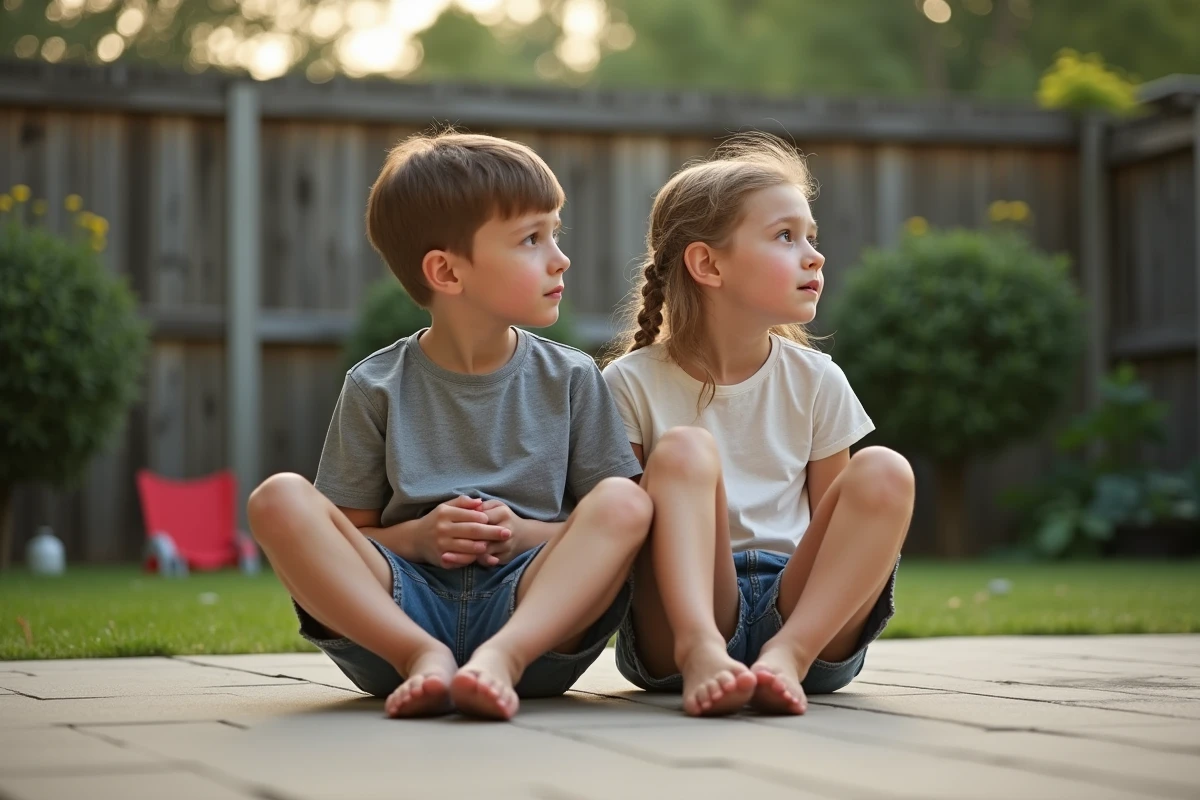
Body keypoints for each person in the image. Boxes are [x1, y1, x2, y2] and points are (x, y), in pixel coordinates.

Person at [248, 131, 650, 721]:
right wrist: (414, 540)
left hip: (535, 618)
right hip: (396, 612)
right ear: (446, 271)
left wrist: (522, 536)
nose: (559, 257)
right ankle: (421, 657)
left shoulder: (571, 377)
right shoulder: (374, 385)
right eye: (531, 239)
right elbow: (349, 536)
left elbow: (619, 533)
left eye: (555, 233)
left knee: (625, 500)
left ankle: (502, 660)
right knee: (278, 498)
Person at [602, 133, 913, 717]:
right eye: (785, 237)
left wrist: (796, 639)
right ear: (708, 264)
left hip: (803, 614)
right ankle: (702, 652)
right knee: (686, 453)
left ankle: (785, 660)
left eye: (811, 238)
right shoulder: (628, 384)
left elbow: (833, 526)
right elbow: (622, 539)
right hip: (681, 615)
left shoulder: (818, 380)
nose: (815, 256)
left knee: (886, 471)